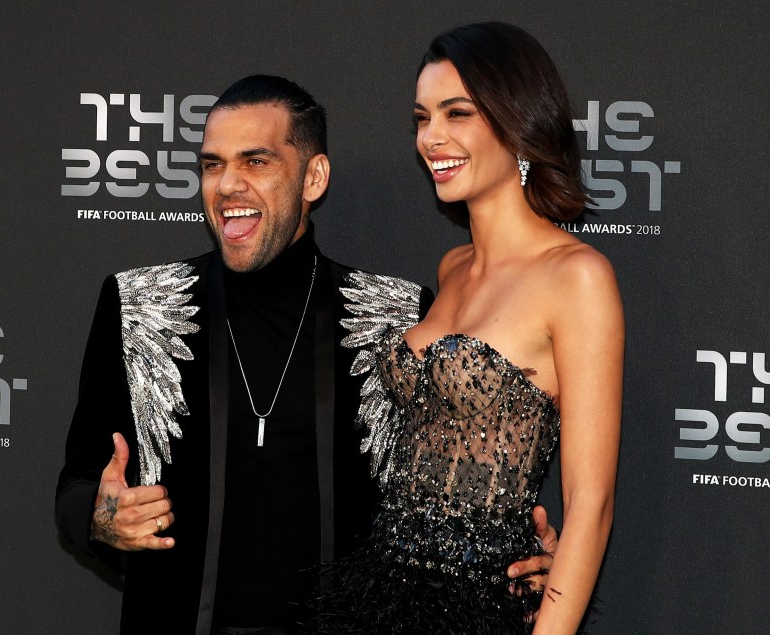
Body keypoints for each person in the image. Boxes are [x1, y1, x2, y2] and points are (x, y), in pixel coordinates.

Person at [55, 74, 558, 635]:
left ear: (313, 177)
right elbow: (75, 489)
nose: (227, 185)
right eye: (212, 165)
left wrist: (506, 562)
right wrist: (104, 519)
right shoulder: (138, 308)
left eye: (256, 162)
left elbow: (445, 491)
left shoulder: (396, 317)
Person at [316, 23, 624, 635]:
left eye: (456, 113)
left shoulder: (578, 277)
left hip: (480, 609)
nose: (432, 138)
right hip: (382, 592)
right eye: (422, 117)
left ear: (519, 122)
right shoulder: (452, 269)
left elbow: (591, 504)